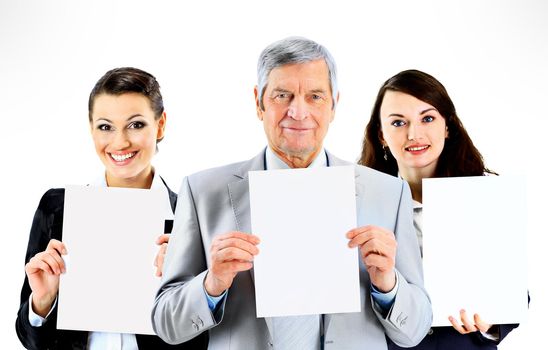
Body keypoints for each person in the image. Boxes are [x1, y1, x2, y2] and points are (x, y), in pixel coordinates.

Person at [152, 37, 432, 350]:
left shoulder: (388, 193)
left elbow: (416, 329)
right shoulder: (202, 192)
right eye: (283, 96)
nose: (298, 112)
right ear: (259, 101)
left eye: (315, 96)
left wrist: (388, 284)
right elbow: (166, 323)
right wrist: (211, 284)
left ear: (334, 105)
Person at [15, 67, 208, 350]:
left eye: (136, 124)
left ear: (161, 124)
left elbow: (203, 343)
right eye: (105, 127)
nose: (120, 142)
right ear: (91, 128)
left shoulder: (190, 217)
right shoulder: (58, 209)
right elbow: (32, 341)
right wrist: (42, 302)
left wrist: (185, 292)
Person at [359, 69, 520, 349]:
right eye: (398, 123)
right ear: (381, 135)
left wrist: (491, 323)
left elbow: (513, 291)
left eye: (428, 118)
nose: (414, 134)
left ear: (447, 126)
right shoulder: (360, 204)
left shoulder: (486, 198)